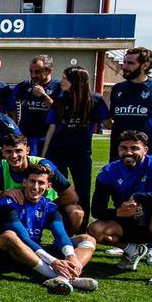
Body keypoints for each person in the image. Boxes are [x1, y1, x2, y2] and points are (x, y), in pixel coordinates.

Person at [89, 131, 152, 287]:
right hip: (129, 224)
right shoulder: (109, 172)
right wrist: (117, 212)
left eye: (134, 148)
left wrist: (141, 197)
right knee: (95, 230)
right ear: (118, 150)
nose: (128, 152)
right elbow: (96, 210)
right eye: (124, 148)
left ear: (145, 150)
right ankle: (133, 250)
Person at [0, 163, 98, 294]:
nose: (35, 187)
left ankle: (64, 277)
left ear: (49, 186)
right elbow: (23, 237)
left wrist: (70, 256)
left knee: (87, 239)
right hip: (11, 255)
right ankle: (59, 276)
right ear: (24, 182)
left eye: (41, 183)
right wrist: (53, 261)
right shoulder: (8, 203)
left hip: (36, 253)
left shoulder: (50, 206)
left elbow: (61, 236)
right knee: (9, 235)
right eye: (32, 181)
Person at [43, 66, 108, 217]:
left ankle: (82, 231)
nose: (62, 81)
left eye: (65, 78)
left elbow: (108, 122)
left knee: (83, 191)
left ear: (77, 81)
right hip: (58, 152)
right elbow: (51, 129)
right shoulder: (59, 100)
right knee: (58, 190)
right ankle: (61, 224)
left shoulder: (95, 101)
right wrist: (44, 154)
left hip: (81, 153)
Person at [0, 134, 85, 232]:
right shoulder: (0, 168)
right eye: (9, 151)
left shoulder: (44, 166)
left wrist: (44, 206)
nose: (14, 156)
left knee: (76, 213)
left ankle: (62, 242)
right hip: (17, 210)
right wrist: (5, 194)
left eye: (18, 151)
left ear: (27, 150)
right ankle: (4, 243)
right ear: (3, 153)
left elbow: (72, 196)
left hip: (47, 209)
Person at [107, 47, 152, 161]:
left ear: (145, 65)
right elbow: (112, 120)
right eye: (124, 62)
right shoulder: (117, 89)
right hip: (119, 153)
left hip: (148, 153)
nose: (124, 66)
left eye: (130, 63)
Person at [11, 55, 59, 154]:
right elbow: (6, 97)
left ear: (49, 71)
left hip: (48, 138)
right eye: (31, 72)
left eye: (37, 72)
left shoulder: (58, 87)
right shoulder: (25, 85)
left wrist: (44, 96)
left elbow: (60, 111)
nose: (33, 75)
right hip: (26, 137)